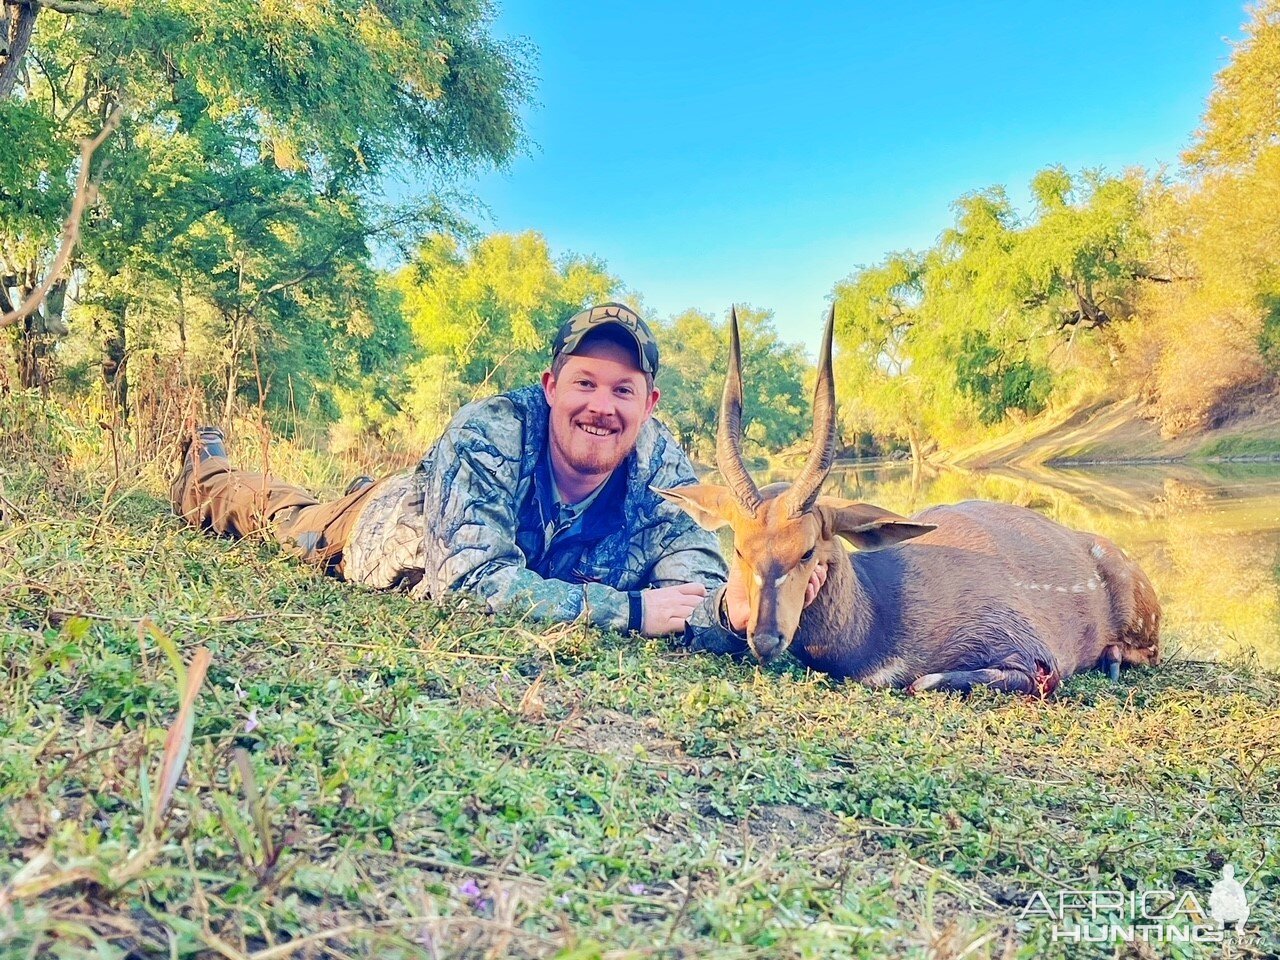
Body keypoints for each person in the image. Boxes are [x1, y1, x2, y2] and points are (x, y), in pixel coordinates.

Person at [173, 302, 820, 646]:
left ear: (648, 405)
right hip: (382, 535)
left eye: (623, 390)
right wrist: (628, 612)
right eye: (585, 383)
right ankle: (209, 464)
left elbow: (695, 590)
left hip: (460, 521)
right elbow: (473, 585)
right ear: (550, 386)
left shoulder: (664, 470)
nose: (602, 405)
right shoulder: (493, 428)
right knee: (278, 516)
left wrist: (733, 611)